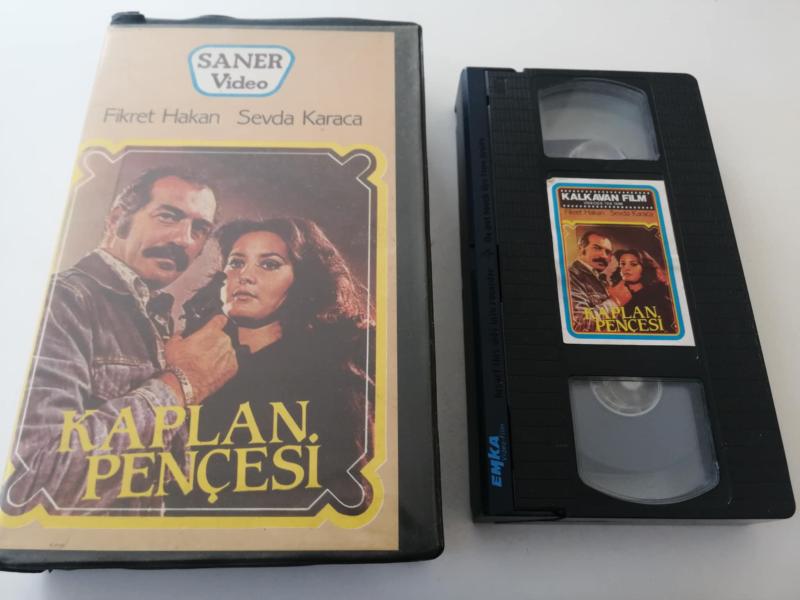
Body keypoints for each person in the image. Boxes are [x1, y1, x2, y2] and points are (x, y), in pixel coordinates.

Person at [2, 167, 239, 516]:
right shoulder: (61, 301)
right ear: (116, 219)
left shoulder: (156, 314)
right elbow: (34, 490)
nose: (184, 240)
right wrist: (181, 384)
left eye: (199, 229)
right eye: (168, 216)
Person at [167, 218, 374, 514]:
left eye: (269, 264)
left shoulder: (330, 377)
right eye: (236, 263)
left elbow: (346, 496)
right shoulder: (185, 360)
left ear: (301, 280)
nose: (245, 276)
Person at [567, 231, 632, 332]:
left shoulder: (601, 279)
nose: (604, 256)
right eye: (597, 248)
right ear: (581, 249)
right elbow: (578, 324)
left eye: (608, 252)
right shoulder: (571, 275)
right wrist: (615, 302)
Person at [612, 248, 676, 333]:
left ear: (645, 268)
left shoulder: (660, 297)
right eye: (622, 264)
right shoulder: (618, 296)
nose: (626, 268)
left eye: (633, 264)